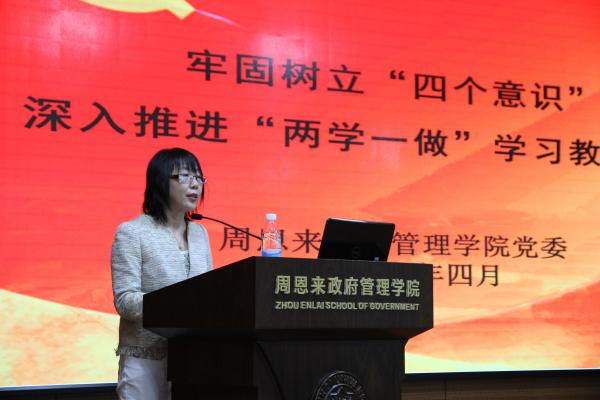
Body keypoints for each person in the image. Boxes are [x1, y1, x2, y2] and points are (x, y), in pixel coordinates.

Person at [111, 148, 213, 400]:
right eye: (185, 176)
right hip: (146, 359)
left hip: (192, 358)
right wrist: (176, 303)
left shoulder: (200, 234)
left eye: (199, 177)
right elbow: (125, 301)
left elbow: (210, 291)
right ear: (160, 182)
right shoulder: (132, 232)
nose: (195, 184)